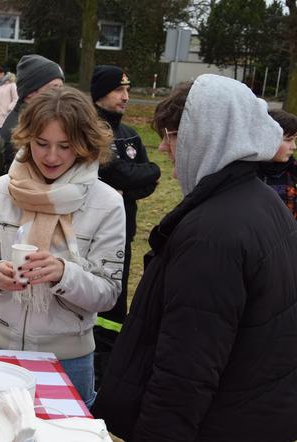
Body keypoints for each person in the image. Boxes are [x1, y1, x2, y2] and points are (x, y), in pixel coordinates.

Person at [92, 75, 297, 441]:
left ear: (204, 134)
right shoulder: (262, 201)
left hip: (218, 425)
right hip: (256, 416)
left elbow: (185, 372)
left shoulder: (212, 234)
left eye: (170, 134)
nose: (164, 149)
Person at [0, 86, 126, 408]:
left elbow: (109, 293)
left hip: (67, 358)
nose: (51, 157)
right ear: (26, 138)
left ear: (84, 146)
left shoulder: (107, 203)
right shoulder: (1, 191)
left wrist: (64, 274)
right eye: (41, 144)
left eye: (64, 146)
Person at [89, 65, 161, 386]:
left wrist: (138, 178)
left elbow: (146, 180)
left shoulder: (130, 134)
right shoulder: (88, 129)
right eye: (120, 90)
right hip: (89, 235)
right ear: (101, 92)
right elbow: (116, 173)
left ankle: (106, 368)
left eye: (128, 89)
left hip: (124, 235)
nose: (126, 96)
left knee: (115, 306)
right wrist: (126, 180)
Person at [0, 54, 64, 179]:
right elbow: (18, 186)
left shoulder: (35, 121)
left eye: (61, 87)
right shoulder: (18, 131)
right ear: (30, 93)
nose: (60, 94)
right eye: (54, 88)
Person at [257, 109, 297, 218]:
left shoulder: (293, 173)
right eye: (289, 140)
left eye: (295, 140)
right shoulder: (242, 172)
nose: (294, 147)